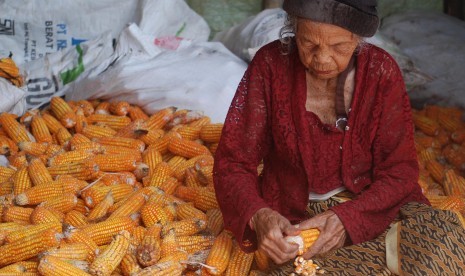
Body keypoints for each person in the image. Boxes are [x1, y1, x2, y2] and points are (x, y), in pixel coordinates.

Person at [213, 0, 465, 275]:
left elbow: (400, 171)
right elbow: (233, 163)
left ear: (358, 40)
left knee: (443, 241)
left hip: (375, 207)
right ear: (293, 30)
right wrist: (259, 215)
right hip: (297, 218)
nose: (322, 59)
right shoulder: (270, 66)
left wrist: (347, 218)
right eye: (308, 44)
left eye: (338, 47)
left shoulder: (381, 72)